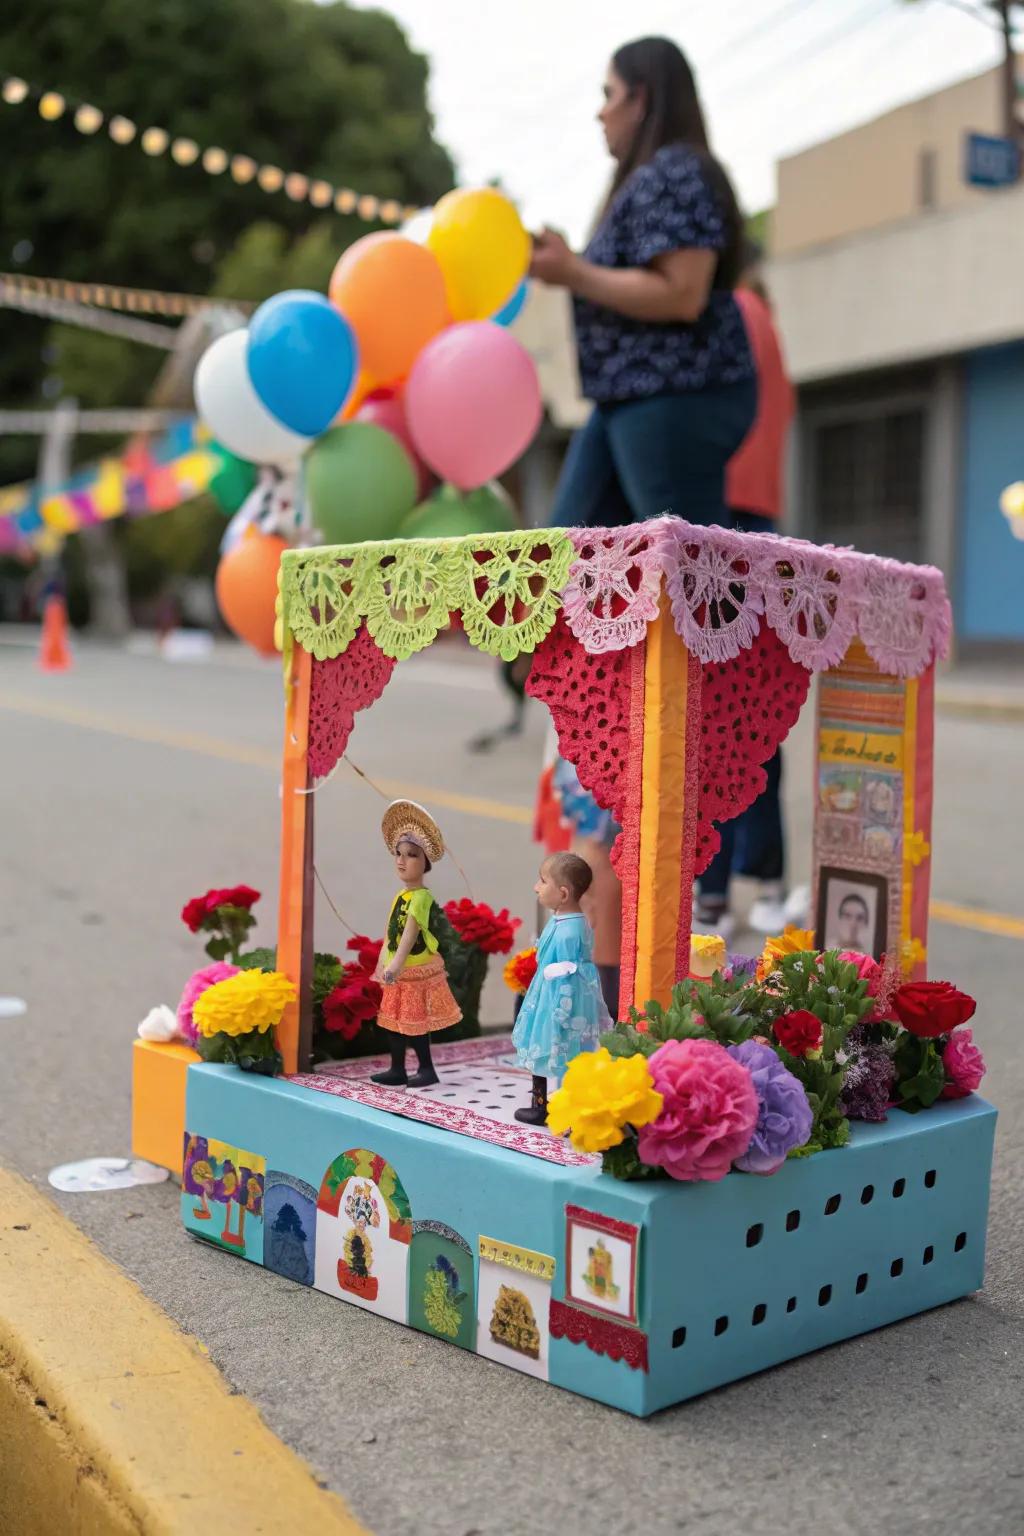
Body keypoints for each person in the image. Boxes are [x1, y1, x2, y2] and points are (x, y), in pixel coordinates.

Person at [530, 36, 756, 528]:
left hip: (673, 396)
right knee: (563, 564)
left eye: (609, 94)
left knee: (688, 578)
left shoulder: (676, 171)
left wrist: (572, 270)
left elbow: (683, 293)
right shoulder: (656, 177)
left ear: (642, 98)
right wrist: (570, 265)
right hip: (630, 400)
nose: (600, 113)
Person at [694, 242, 796, 939]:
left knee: (715, 714)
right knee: (757, 708)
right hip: (758, 522)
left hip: (717, 518)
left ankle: (713, 887)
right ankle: (765, 878)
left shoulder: (724, 313)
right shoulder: (766, 320)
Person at [511, 852, 611, 1125]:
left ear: (563, 893)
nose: (536, 887)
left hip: (560, 998)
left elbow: (571, 968)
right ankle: (541, 1104)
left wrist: (560, 1006)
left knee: (563, 1048)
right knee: (546, 1047)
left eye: (543, 881)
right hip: (548, 991)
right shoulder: (562, 920)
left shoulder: (571, 929)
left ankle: (569, 1106)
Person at [371, 800, 461, 1089]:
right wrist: (382, 960)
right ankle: (397, 1068)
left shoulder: (421, 898)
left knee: (416, 1022)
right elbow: (391, 932)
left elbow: (409, 934)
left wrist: (395, 964)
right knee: (393, 1021)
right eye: (398, 853)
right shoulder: (401, 895)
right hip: (397, 971)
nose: (401, 860)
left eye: (410, 855)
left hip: (413, 969)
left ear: (424, 862)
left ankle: (426, 1068)